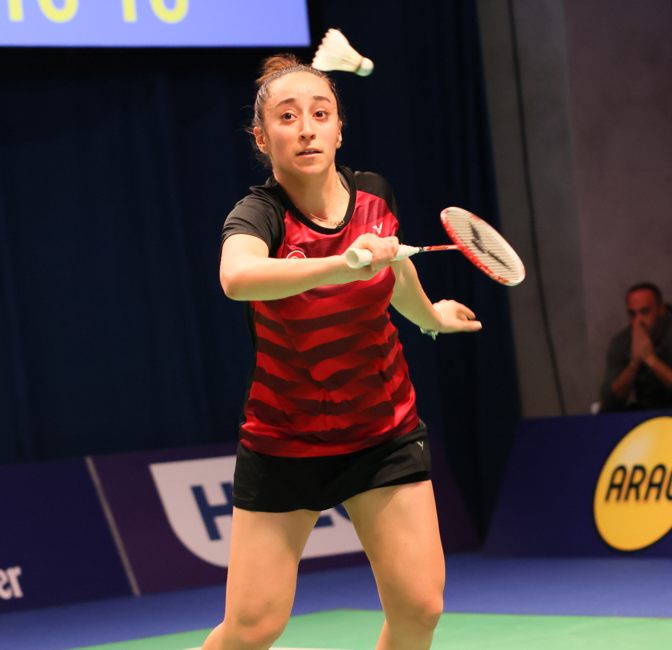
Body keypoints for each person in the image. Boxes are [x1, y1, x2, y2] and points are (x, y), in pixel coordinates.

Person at [203, 54, 482, 650]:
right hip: (287, 440)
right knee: (253, 628)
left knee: (420, 606)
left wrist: (430, 317)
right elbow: (237, 277)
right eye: (287, 116)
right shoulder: (261, 214)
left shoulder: (374, 195)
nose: (305, 127)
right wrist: (337, 264)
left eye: (319, 113)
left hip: (383, 429)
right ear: (262, 137)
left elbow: (394, 272)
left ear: (338, 128)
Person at [600, 282, 672, 412]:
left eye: (645, 312)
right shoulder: (622, 340)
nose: (638, 321)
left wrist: (651, 359)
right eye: (632, 314)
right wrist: (634, 363)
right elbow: (609, 403)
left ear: (662, 309)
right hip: (645, 414)